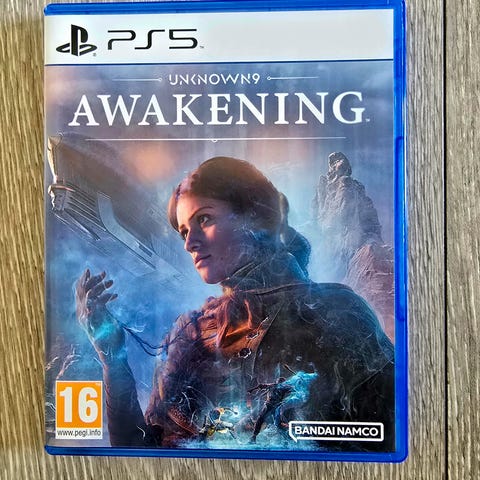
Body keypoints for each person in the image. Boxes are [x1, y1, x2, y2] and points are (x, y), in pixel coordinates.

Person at [76, 156, 395, 451]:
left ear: (254, 216)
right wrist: (112, 358)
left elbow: (385, 437)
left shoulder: (337, 312)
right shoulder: (188, 335)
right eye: (184, 231)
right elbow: (139, 449)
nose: (189, 243)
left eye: (204, 219)